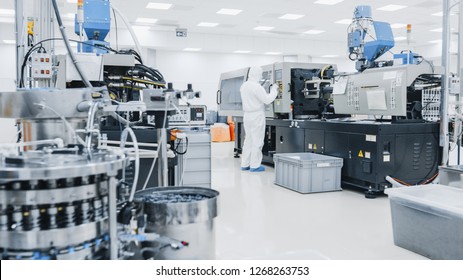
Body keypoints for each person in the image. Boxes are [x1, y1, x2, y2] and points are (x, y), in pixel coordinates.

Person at [240, 66, 278, 172]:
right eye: (260, 74)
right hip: (256, 116)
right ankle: (255, 166)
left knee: (248, 140)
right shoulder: (256, 87)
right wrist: (274, 90)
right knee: (257, 141)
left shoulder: (244, 86)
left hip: (247, 115)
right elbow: (267, 100)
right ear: (257, 74)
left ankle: (245, 164)